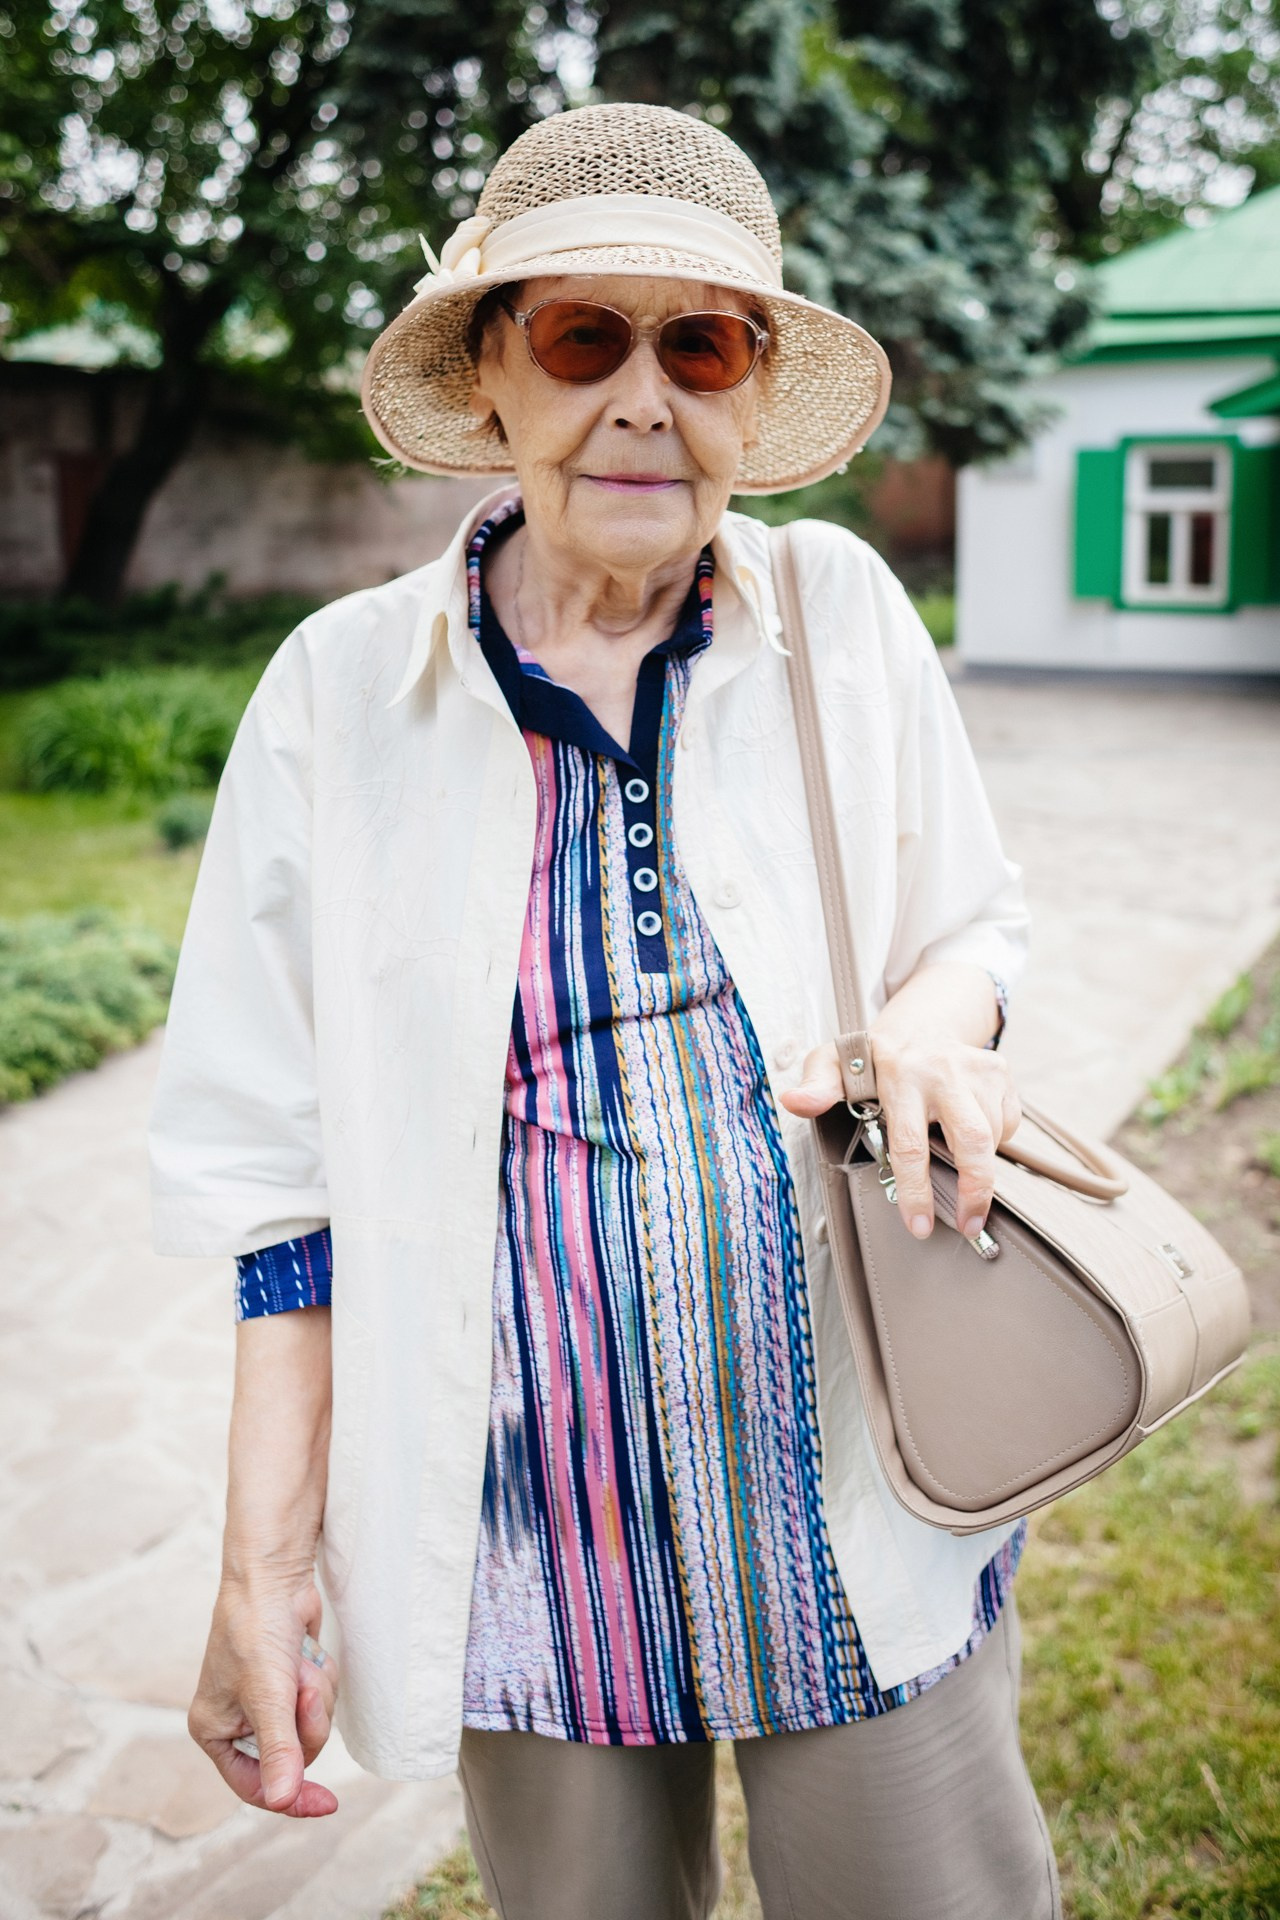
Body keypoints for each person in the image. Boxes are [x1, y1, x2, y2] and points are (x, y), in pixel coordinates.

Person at [149, 100, 1059, 1920]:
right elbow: (279, 1189)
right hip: (523, 1543)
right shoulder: (340, 700)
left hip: (855, 1490)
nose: (645, 399)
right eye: (584, 336)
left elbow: (970, 921)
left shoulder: (844, 616)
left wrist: (937, 1026)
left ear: (750, 390)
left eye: (701, 344)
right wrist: (263, 1568)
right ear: (492, 375)